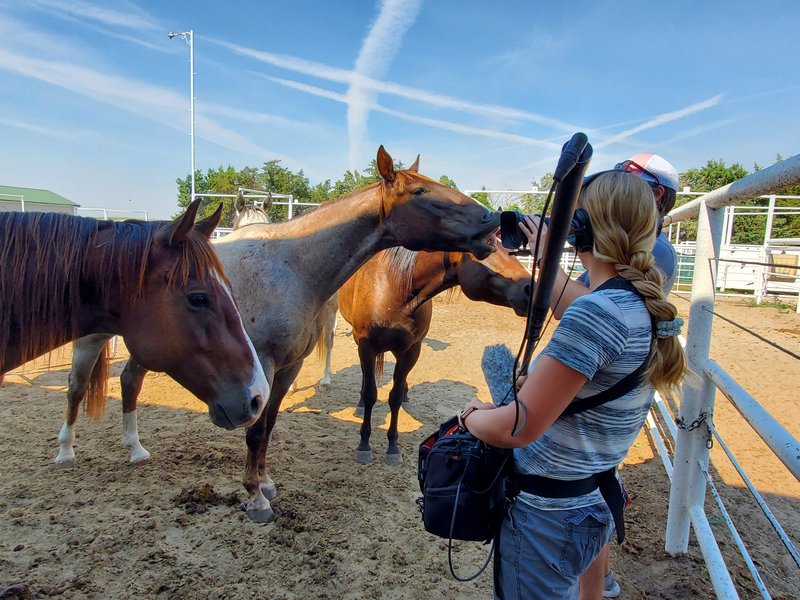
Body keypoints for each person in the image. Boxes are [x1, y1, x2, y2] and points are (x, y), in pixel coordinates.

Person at [458, 170, 689, 599]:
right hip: (594, 494)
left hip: (548, 511)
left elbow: (518, 428)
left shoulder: (598, 313)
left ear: (581, 228)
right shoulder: (640, 305)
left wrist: (472, 415)